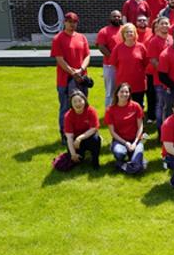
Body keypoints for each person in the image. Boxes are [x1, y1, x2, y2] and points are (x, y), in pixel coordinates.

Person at [51, 12, 91, 142]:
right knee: (65, 108)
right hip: (65, 80)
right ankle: (64, 133)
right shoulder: (58, 38)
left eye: (74, 22)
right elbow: (59, 59)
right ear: (64, 22)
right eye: (69, 21)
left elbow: (87, 56)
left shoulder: (82, 38)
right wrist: (72, 72)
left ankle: (83, 133)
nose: (72, 24)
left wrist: (81, 69)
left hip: (81, 78)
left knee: (82, 106)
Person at [105, 83, 146, 172]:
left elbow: (140, 126)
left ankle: (122, 165)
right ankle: (136, 163)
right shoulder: (110, 110)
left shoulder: (136, 106)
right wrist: (126, 143)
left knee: (137, 166)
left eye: (127, 92)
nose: (124, 94)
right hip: (120, 141)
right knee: (120, 153)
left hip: (136, 140)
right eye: (122, 92)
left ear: (130, 94)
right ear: (117, 93)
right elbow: (112, 132)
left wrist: (135, 142)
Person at [110, 23, 148, 108]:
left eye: (131, 32)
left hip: (138, 83)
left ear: (135, 33)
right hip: (122, 82)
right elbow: (113, 63)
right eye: (126, 32)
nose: (129, 34)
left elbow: (146, 63)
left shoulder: (141, 47)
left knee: (138, 105)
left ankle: (139, 120)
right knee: (123, 105)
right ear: (123, 34)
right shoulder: (118, 48)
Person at [146, 17, 173, 130]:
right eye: (162, 24)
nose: (164, 26)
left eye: (166, 23)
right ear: (158, 26)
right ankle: (160, 129)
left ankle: (170, 129)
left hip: (173, 79)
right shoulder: (154, 41)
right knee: (161, 105)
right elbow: (153, 60)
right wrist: (165, 72)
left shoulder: (172, 39)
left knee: (170, 106)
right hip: (160, 79)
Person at [63, 90, 101, 169]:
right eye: (74, 102)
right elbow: (69, 137)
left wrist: (80, 138)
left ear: (85, 100)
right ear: (71, 104)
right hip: (75, 142)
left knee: (96, 139)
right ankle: (78, 155)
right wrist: (73, 154)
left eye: (80, 100)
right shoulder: (68, 116)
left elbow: (94, 128)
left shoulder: (91, 111)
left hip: (88, 137)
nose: (77, 104)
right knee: (77, 161)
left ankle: (95, 160)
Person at [96, 10, 123, 107]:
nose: (117, 18)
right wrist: (114, 59)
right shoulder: (104, 31)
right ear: (110, 18)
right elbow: (101, 46)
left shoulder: (124, 30)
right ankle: (109, 113)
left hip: (124, 65)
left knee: (124, 89)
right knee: (110, 91)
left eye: (118, 16)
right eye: (114, 16)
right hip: (110, 65)